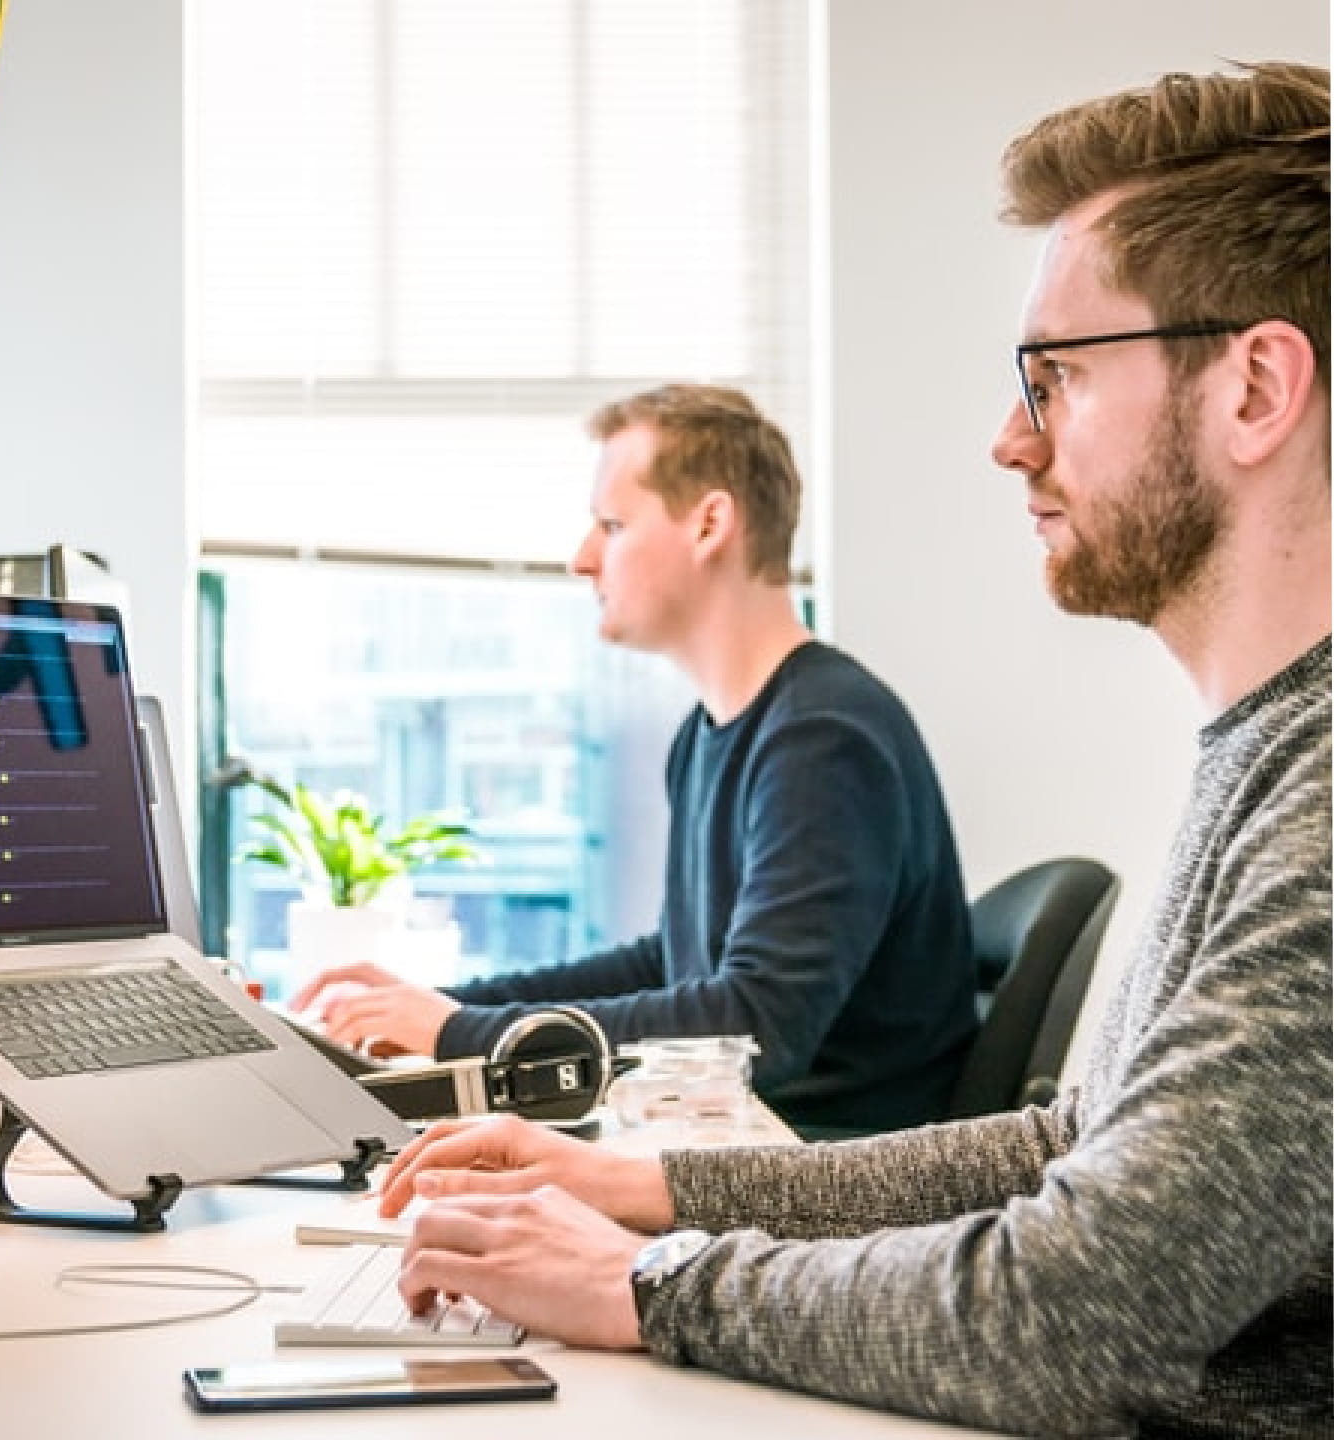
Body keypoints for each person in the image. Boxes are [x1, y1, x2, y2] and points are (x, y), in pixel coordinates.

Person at [368, 61, 1332, 1438]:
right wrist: (655, 1191)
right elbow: (1068, 1149)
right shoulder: (1264, 753)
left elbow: (1077, 1309)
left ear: (1253, 390)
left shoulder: (1321, 798)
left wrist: (650, 1280)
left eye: (1054, 377)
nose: (1010, 440)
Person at [294, 383, 978, 1136]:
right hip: (741, 1142)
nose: (581, 559)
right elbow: (673, 964)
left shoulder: (824, 740)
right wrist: (450, 1008)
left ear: (710, 524)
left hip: (819, 1171)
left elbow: (755, 1029)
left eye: (612, 525)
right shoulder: (713, 733)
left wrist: (460, 1036)